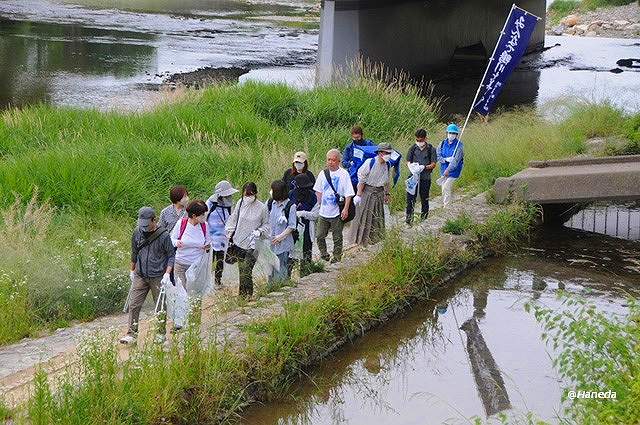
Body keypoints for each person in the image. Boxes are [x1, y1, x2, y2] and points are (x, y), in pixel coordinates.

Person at [120, 207, 175, 345]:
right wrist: (132, 270)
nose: (144, 227)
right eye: (142, 224)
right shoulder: (137, 232)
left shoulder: (163, 235)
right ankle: (131, 334)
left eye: (147, 224)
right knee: (134, 304)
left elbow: (171, 256)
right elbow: (134, 252)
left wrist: (167, 274)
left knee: (160, 306)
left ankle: (160, 335)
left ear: (154, 220)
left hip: (158, 276)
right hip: (140, 274)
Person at [225, 182, 269, 299]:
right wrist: (230, 231)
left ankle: (249, 294)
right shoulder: (240, 203)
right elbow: (234, 218)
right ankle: (242, 295)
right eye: (246, 195)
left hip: (254, 244)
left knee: (247, 269)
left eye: (250, 195)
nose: (248, 197)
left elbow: (266, 225)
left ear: (255, 194)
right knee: (241, 271)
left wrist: (259, 231)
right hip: (239, 241)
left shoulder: (262, 207)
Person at [314, 149, 355, 263]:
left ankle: (337, 257)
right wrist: (319, 203)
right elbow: (318, 190)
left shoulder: (344, 174)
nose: (331, 162)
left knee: (337, 237)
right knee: (319, 235)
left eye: (333, 160)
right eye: (329, 160)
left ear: (339, 161)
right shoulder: (323, 174)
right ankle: (324, 253)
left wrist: (346, 209)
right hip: (323, 211)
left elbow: (348, 193)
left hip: (337, 211)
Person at [350, 142, 394, 246]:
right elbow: (362, 179)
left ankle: (374, 239)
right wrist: (359, 195)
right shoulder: (370, 162)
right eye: (386, 152)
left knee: (376, 217)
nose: (388, 155)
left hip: (379, 193)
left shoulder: (387, 165)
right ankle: (360, 240)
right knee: (364, 216)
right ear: (380, 153)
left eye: (389, 153)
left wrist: (387, 194)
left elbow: (387, 181)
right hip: (368, 193)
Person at [170, 200, 211, 294]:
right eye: (202, 215)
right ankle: (182, 309)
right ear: (194, 216)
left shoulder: (205, 226)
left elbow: (208, 242)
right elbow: (172, 239)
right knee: (181, 293)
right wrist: (177, 242)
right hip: (180, 264)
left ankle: (195, 309)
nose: (204, 217)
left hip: (197, 266)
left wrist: (207, 246)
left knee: (195, 293)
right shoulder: (181, 224)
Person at [206, 180, 239, 288]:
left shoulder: (229, 204)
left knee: (220, 260)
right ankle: (207, 282)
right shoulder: (211, 203)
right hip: (211, 238)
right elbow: (204, 218)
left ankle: (217, 281)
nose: (229, 196)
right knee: (210, 261)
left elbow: (232, 219)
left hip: (223, 238)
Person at [267, 180, 298, 283]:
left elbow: (292, 226)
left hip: (284, 244)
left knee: (281, 270)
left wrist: (280, 237)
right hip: (271, 244)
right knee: (270, 271)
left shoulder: (290, 206)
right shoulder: (270, 203)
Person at [405, 129, 437, 224]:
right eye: (417, 140)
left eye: (421, 140)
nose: (419, 142)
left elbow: (433, 164)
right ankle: (409, 220)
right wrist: (412, 167)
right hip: (413, 178)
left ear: (425, 138)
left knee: (424, 199)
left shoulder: (431, 149)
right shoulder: (413, 148)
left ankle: (424, 220)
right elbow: (407, 161)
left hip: (425, 178)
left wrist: (423, 167)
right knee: (410, 199)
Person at [290, 173, 317, 276]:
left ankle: (306, 276)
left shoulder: (313, 197)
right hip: (292, 230)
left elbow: (315, 215)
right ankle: (287, 279)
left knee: (306, 254)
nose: (304, 190)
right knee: (291, 256)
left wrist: (302, 213)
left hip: (306, 229)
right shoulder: (291, 194)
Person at [437, 123, 464, 208]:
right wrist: (445, 159)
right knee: (443, 189)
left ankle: (447, 207)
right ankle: (447, 203)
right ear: (447, 133)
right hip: (443, 169)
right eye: (450, 133)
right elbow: (437, 155)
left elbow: (455, 161)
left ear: (456, 135)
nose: (451, 135)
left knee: (446, 187)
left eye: (453, 133)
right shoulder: (442, 144)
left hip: (453, 171)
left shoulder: (459, 146)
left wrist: (448, 170)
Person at [342, 125, 375, 191]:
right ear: (352, 136)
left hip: (367, 177)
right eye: (354, 138)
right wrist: (351, 164)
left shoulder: (369, 144)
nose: (356, 139)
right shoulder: (349, 148)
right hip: (353, 177)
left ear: (362, 135)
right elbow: (344, 162)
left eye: (358, 137)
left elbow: (376, 157)